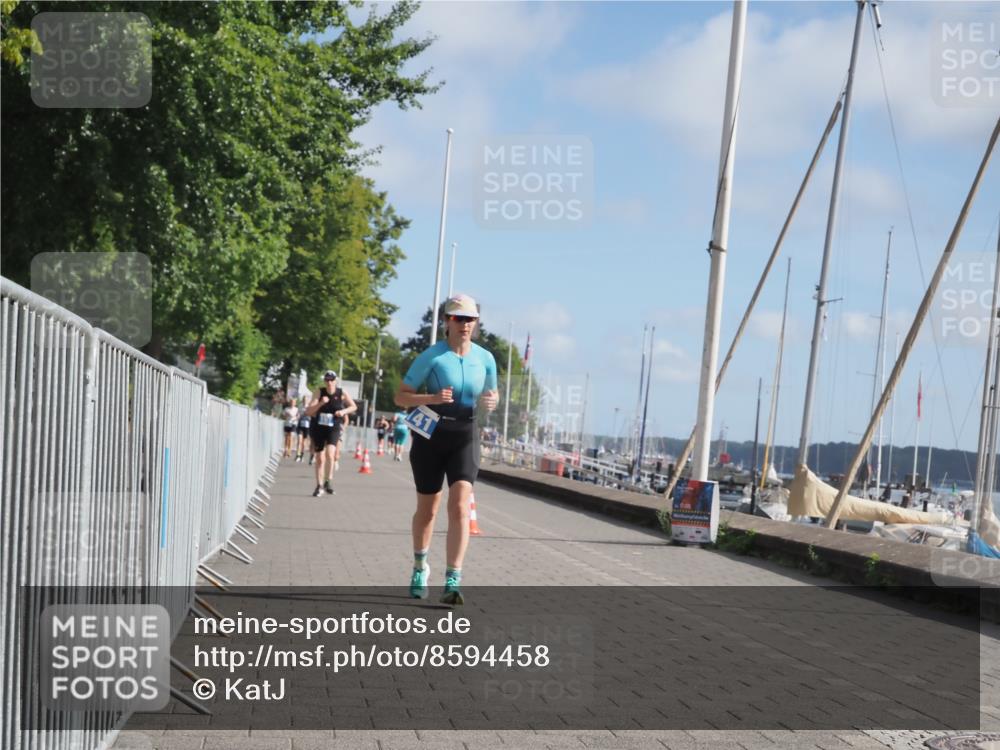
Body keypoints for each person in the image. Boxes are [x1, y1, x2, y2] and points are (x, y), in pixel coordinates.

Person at [394, 294, 498, 605]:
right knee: (428, 511)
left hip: (466, 434)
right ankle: (419, 566)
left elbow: (493, 394)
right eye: (458, 318)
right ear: (447, 321)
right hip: (431, 435)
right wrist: (433, 398)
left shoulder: (486, 358)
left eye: (470, 319)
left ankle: (453, 578)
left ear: (476, 323)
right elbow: (401, 397)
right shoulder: (432, 356)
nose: (465, 324)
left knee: (461, 505)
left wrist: (493, 402)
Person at [305, 371, 357, 497]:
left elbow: (353, 407)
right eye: (327, 380)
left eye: (331, 380)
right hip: (319, 428)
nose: (329, 382)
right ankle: (319, 485)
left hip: (333, 427)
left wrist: (343, 411)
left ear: (335, 381)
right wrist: (321, 403)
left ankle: (328, 481)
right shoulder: (319, 392)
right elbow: (308, 411)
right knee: (319, 458)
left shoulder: (341, 392)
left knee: (330, 454)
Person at [295, 396, 312, 463]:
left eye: (306, 400)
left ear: (308, 400)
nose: (305, 401)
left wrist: (308, 415)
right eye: (304, 399)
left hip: (307, 425)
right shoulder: (300, 406)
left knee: (304, 442)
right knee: (299, 440)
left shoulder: (310, 406)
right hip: (300, 424)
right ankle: (298, 455)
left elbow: (312, 415)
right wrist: (298, 416)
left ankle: (302, 455)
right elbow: (297, 414)